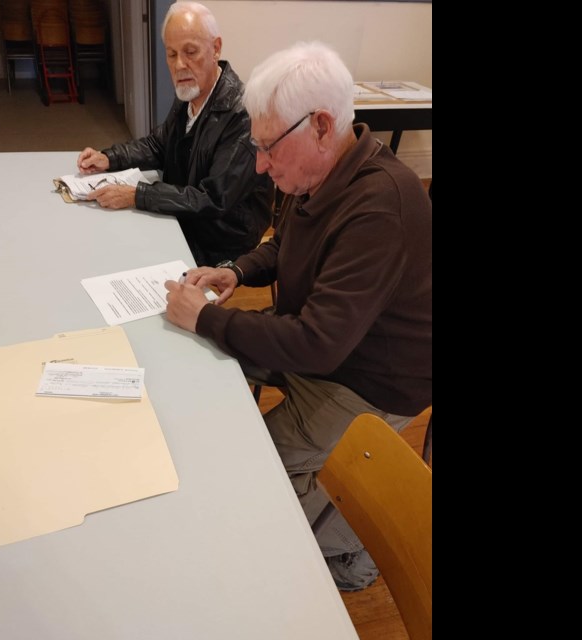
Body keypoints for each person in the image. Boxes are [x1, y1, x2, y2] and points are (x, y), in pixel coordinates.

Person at [162, 42, 432, 591]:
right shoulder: (318, 173)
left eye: (267, 149)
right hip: (328, 347)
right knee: (203, 377)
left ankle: (362, 546)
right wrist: (236, 271)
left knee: (254, 478)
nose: (260, 165)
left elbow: (316, 344)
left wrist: (207, 320)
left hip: (370, 381)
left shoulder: (381, 206)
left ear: (321, 127)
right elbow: (284, 245)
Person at [76, 1, 272, 267]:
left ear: (216, 48)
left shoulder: (242, 114)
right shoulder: (190, 92)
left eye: (190, 52)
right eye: (171, 54)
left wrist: (138, 195)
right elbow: (159, 144)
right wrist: (109, 157)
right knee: (107, 237)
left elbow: (212, 199)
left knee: (123, 255)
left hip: (220, 236)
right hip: (186, 217)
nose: (180, 64)